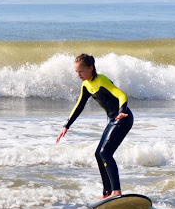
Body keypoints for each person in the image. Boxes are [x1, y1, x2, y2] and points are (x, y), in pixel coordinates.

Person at [56, 53, 133, 200]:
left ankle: (116, 191)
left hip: (123, 118)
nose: (78, 75)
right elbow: (79, 106)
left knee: (105, 153)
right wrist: (66, 126)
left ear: (91, 68)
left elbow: (122, 95)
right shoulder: (86, 85)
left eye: (81, 71)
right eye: (76, 72)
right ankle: (107, 192)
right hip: (112, 120)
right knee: (99, 154)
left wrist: (122, 112)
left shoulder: (102, 80)